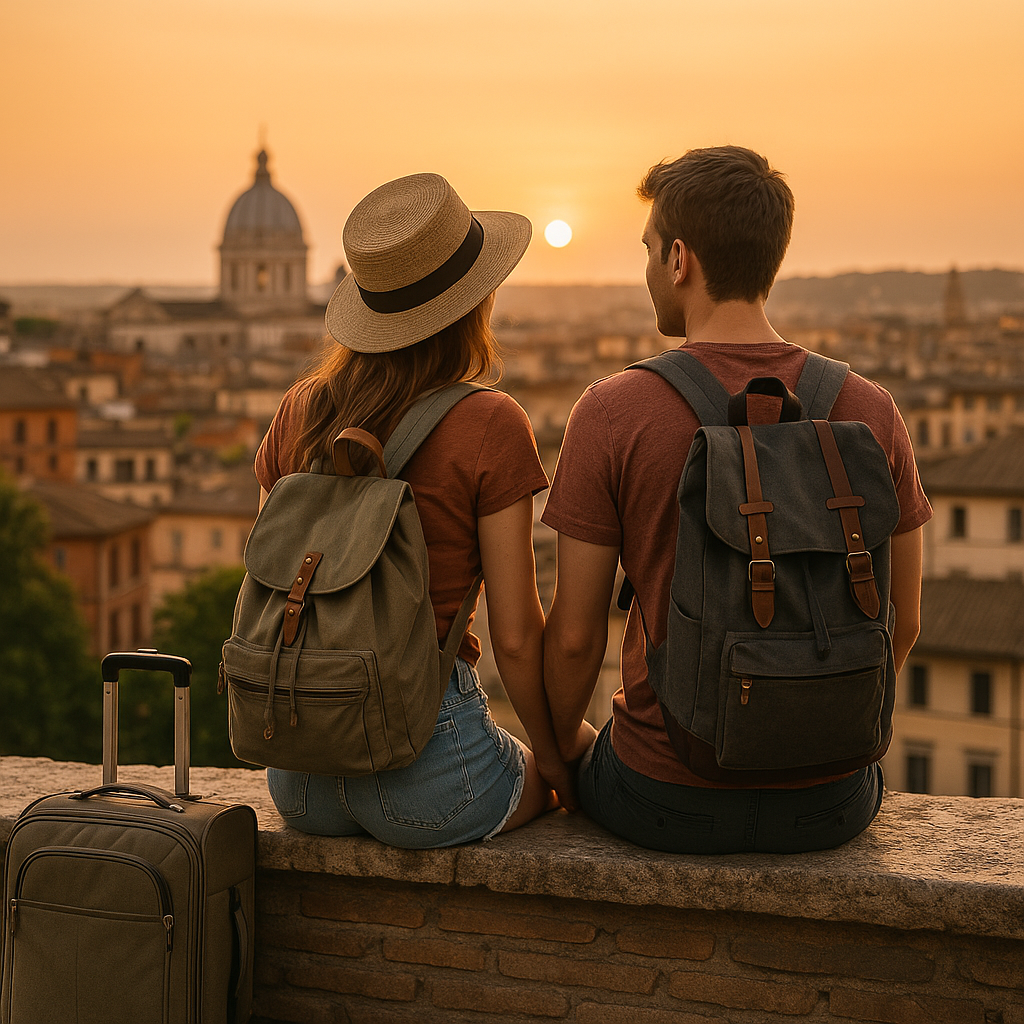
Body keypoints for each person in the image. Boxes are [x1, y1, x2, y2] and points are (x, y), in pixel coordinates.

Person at [542, 146, 933, 854]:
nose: (647, 268)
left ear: (679, 259)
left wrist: (562, 747)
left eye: (649, 249)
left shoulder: (612, 411)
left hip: (663, 796)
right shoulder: (871, 411)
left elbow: (574, 640)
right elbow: (900, 622)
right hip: (832, 802)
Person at [254, 172, 571, 847]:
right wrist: (554, 760)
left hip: (301, 777)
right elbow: (516, 636)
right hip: (430, 776)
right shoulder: (490, 421)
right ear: (473, 304)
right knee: (587, 757)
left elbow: (268, 581)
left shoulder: (299, 410)